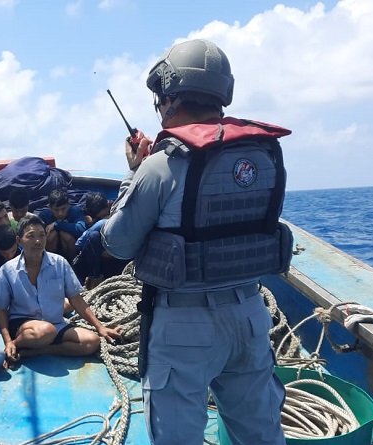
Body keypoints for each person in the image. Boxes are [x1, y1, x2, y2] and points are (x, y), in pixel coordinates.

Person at [101, 39, 292, 445]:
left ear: (170, 96)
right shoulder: (266, 155)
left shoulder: (161, 163)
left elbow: (117, 243)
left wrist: (133, 172)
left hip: (183, 327)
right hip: (251, 316)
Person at [0, 215, 122, 365]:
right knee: (45, 331)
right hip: (24, 326)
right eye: (31, 236)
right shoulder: (7, 271)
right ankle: (16, 345)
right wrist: (8, 341)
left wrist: (100, 327)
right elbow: (0, 310)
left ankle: (39, 350)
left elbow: (76, 299)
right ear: (19, 240)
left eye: (41, 235)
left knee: (91, 342)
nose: (38, 241)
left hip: (55, 323)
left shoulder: (60, 263)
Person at [72, 192, 126, 289]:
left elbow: (79, 243)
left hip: (116, 258)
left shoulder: (108, 220)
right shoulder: (99, 220)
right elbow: (79, 244)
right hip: (95, 261)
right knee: (94, 237)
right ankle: (94, 279)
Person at [36, 188, 86, 263]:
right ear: (50, 207)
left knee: (65, 234)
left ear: (68, 205)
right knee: (51, 235)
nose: (60, 213)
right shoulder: (44, 216)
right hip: (51, 253)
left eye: (63, 209)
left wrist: (57, 224)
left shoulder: (75, 211)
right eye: (56, 210)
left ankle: (73, 264)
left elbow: (81, 229)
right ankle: (50, 263)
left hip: (71, 252)